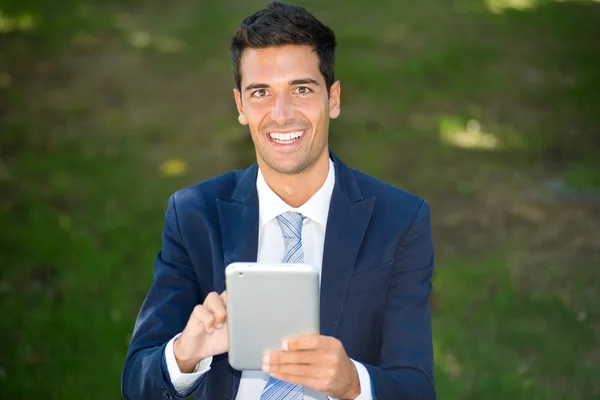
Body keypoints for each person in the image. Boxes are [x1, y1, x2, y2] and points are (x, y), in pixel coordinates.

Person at [121, 2, 435, 399]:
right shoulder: (194, 216)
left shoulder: (400, 220)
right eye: (261, 93)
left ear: (333, 99)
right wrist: (186, 354)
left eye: (301, 89)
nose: (281, 114)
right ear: (240, 106)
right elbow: (137, 382)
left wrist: (353, 384)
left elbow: (417, 388)